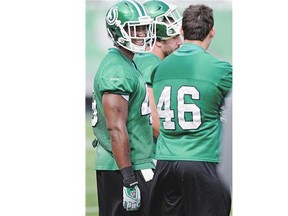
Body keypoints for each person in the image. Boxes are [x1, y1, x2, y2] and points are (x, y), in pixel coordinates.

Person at [148, 4, 232, 216]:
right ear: (212, 30)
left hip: (166, 161)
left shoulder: (160, 68)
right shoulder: (220, 69)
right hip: (204, 159)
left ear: (182, 32)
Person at [91, 0, 156, 215]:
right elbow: (115, 129)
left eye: (143, 27)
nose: (141, 34)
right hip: (123, 168)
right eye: (134, 28)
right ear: (117, 31)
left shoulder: (126, 61)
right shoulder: (117, 70)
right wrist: (128, 178)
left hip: (128, 165)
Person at [133, 0, 183, 140]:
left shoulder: (141, 60)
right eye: (174, 36)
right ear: (158, 40)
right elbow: (154, 121)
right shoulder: (151, 65)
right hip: (148, 152)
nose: (180, 42)